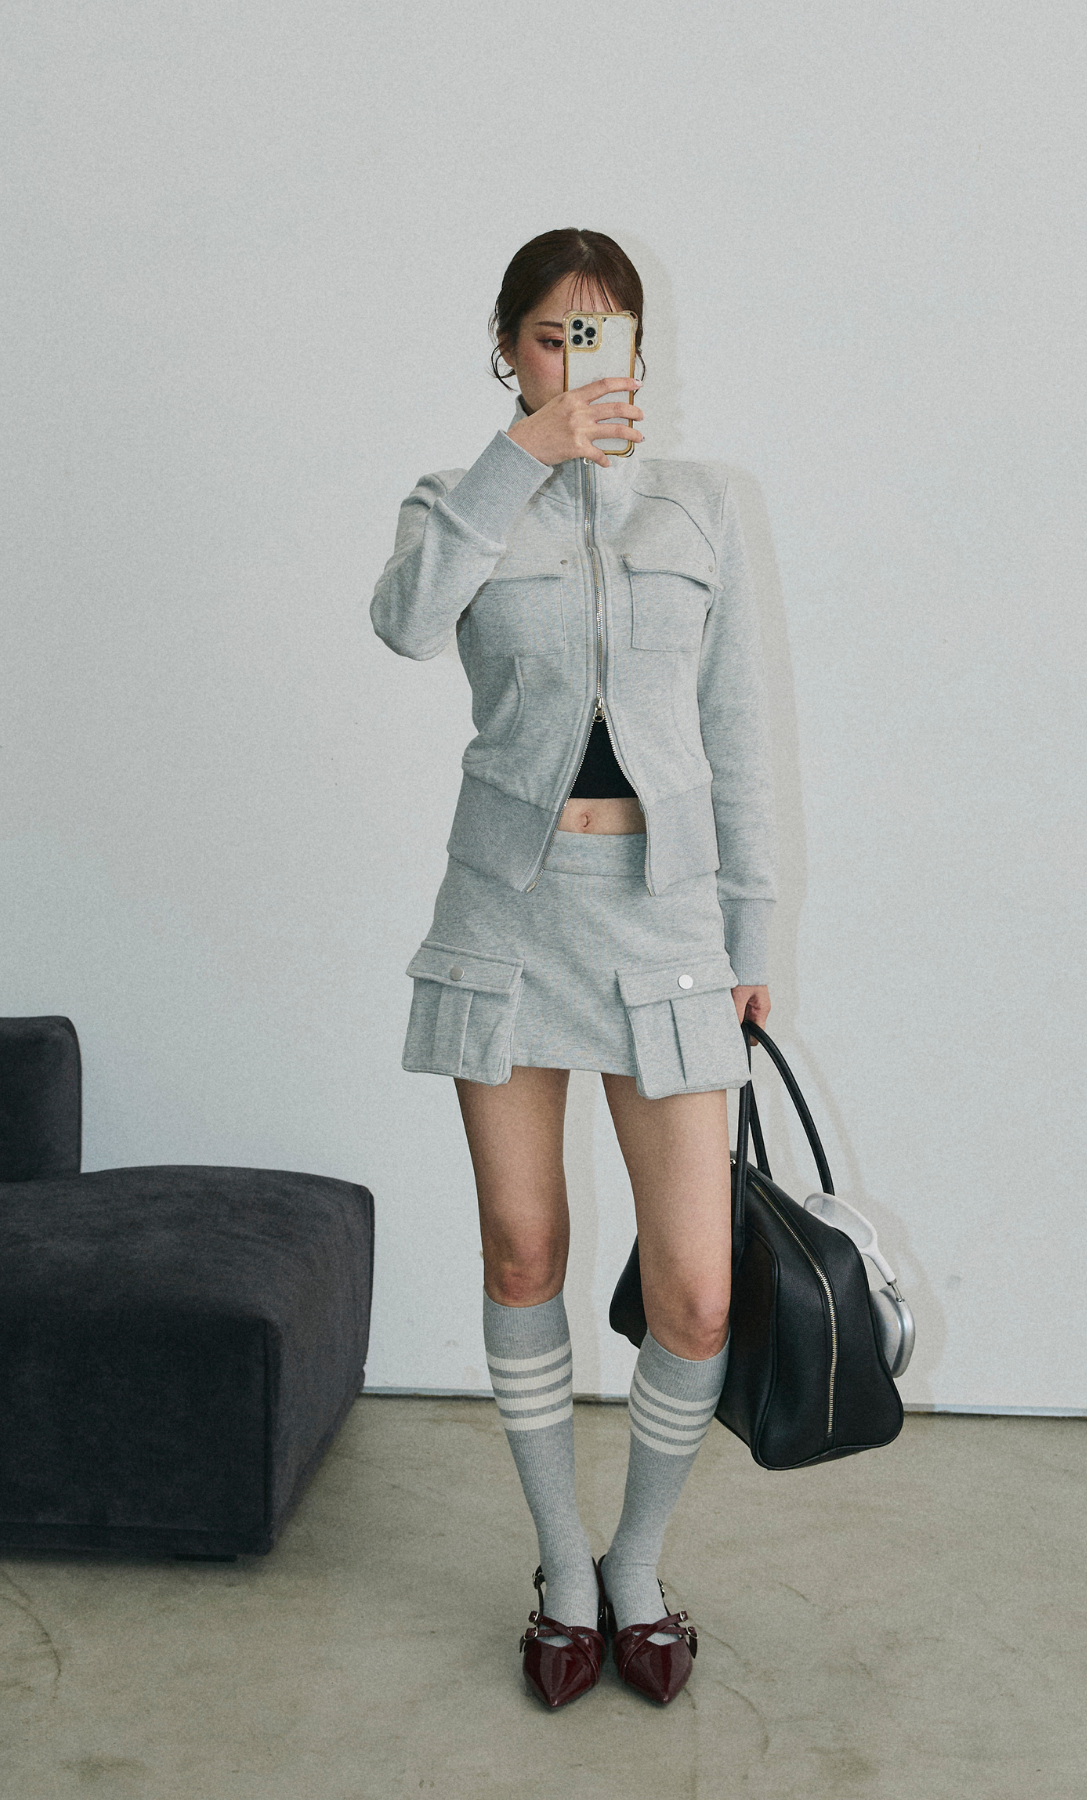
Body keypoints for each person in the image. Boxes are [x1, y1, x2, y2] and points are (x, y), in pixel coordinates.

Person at [371, 228, 775, 1708]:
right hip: (506, 915)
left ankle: (639, 1564)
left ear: (641, 352)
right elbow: (405, 624)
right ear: (507, 349)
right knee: (523, 1252)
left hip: (663, 926)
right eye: (550, 335)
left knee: (699, 1294)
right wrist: (517, 460)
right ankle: (562, 1569)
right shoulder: (459, 499)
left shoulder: (703, 506)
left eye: (601, 336)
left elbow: (737, 735)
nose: (576, 360)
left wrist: (753, 937)